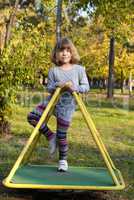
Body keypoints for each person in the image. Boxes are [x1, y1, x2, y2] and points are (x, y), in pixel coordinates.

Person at [27, 37, 90, 172]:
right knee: (32, 116)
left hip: (67, 106)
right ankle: (50, 136)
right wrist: (58, 85)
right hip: (52, 101)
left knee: (62, 134)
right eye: (61, 50)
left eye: (68, 50)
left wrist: (75, 87)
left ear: (72, 53)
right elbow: (49, 88)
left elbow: (86, 87)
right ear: (56, 54)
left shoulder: (79, 69)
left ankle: (62, 161)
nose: (65, 53)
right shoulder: (53, 71)